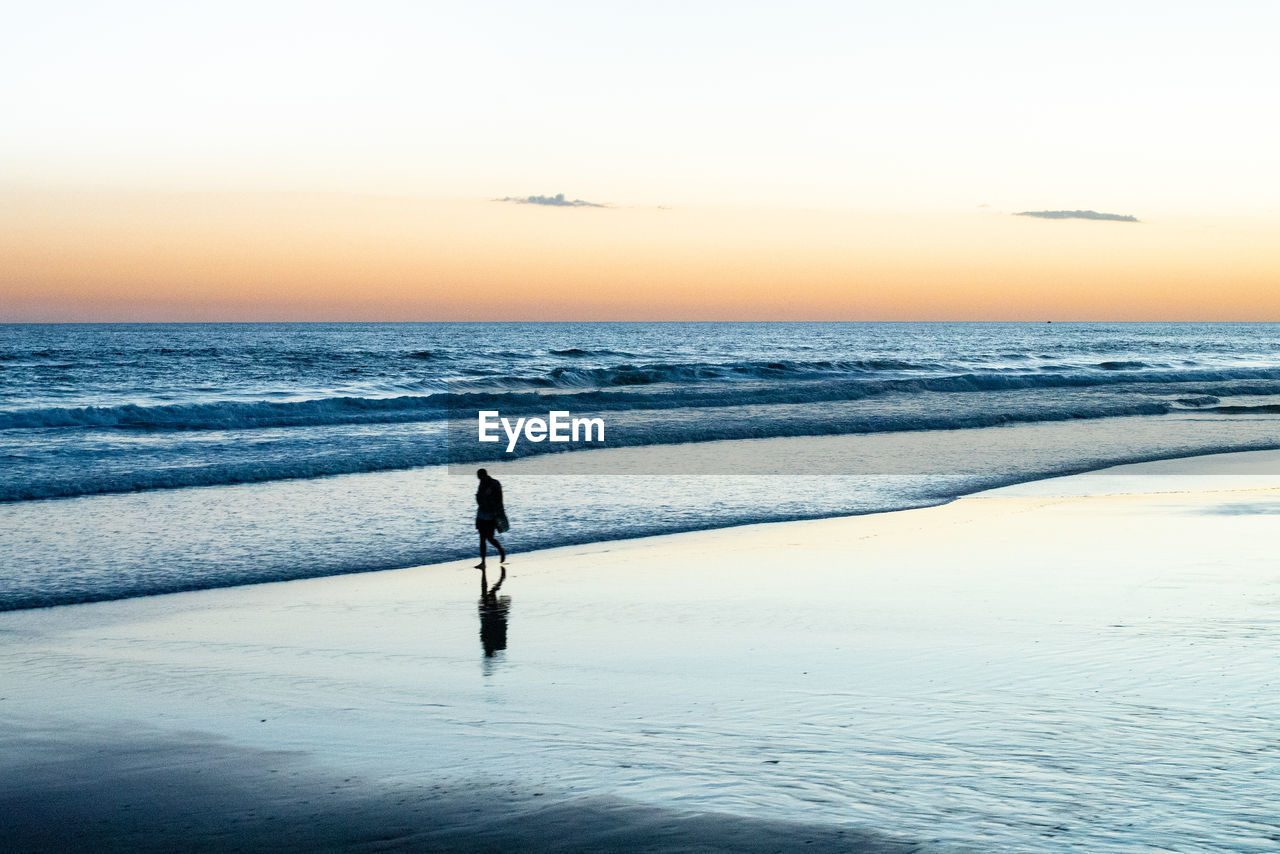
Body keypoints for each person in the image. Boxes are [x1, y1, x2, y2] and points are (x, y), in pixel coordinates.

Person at [474, 468, 507, 569]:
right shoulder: (482, 483)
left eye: (479, 477)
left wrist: (497, 513)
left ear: (483, 475)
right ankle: (483, 562)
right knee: (482, 539)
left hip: (490, 515)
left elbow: (499, 499)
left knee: (489, 538)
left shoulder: (494, 484)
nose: (479, 479)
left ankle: (501, 550)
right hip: (481, 514)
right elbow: (480, 499)